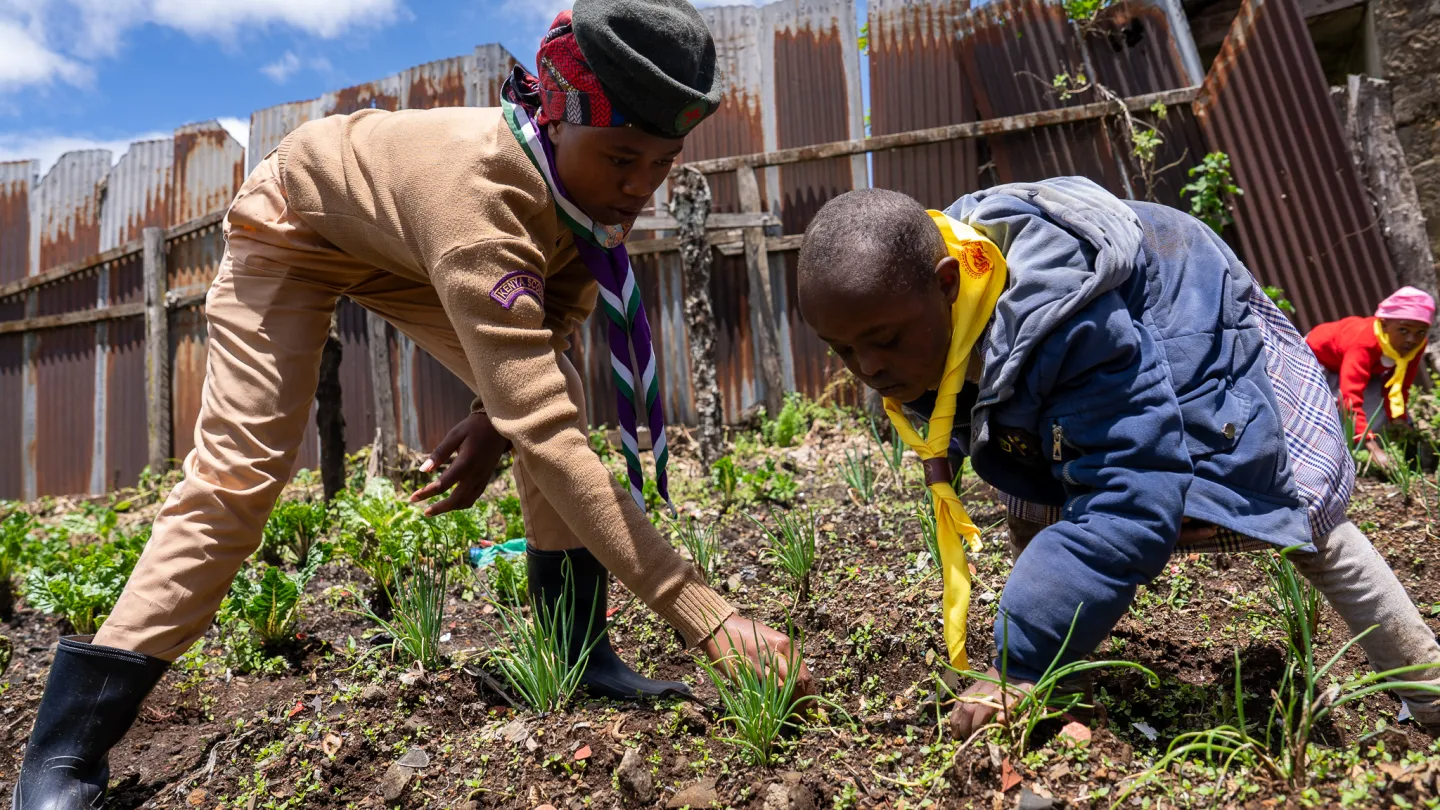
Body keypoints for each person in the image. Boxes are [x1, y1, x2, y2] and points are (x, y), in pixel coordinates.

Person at [14, 3, 812, 807]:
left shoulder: (582, 192)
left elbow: (548, 332)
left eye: (662, 163)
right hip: (298, 222)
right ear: (556, 119)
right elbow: (549, 435)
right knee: (240, 478)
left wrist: (488, 418)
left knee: (555, 391)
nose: (640, 188)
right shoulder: (481, 206)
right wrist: (708, 617)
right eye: (622, 159)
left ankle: (581, 657)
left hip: (398, 240)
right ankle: (65, 750)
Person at [794, 179, 1440, 740]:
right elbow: (948, 384)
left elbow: (1129, 498)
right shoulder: (933, 289)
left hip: (1183, 314)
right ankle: (1057, 665)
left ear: (947, 285)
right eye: (844, 352)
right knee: (1033, 493)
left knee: (1296, 510)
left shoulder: (1067, 325)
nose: (869, 369)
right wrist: (946, 447)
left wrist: (1015, 665)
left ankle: (1429, 693)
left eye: (882, 343)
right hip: (1070, 356)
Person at [1306, 286, 1434, 469]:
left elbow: (1399, 386)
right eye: (1403, 330)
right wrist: (1372, 447)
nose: (1412, 340)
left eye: (1420, 332)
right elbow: (1350, 396)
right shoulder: (1364, 341)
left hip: (1366, 368)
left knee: (1378, 410)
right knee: (1327, 411)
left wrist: (1398, 419)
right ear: (1384, 325)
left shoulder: (1416, 345)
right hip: (1318, 361)